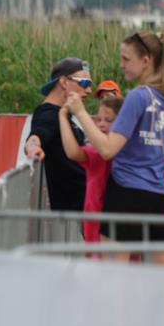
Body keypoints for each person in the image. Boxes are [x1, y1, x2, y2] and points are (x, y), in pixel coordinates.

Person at [67, 31, 164, 265]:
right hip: (160, 196)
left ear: (146, 60)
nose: (121, 65)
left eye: (126, 59)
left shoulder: (138, 96)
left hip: (127, 192)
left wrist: (80, 113)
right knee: (162, 281)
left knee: (113, 278)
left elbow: (108, 149)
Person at [24, 57, 93, 212]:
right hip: (79, 206)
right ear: (63, 82)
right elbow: (36, 136)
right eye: (84, 83)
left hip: (85, 204)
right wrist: (33, 148)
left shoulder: (63, 114)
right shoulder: (48, 114)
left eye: (90, 84)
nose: (89, 90)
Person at [59, 90, 123, 253]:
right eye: (98, 119)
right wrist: (63, 117)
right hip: (96, 220)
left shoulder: (108, 152)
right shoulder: (97, 152)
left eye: (108, 120)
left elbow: (73, 153)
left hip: (105, 221)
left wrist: (66, 116)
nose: (101, 124)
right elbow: (73, 152)